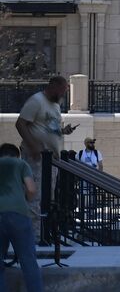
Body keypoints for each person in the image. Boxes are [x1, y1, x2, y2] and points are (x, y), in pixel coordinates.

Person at [14, 77, 77, 236]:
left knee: (47, 198)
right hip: (36, 158)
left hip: (51, 160)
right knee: (34, 196)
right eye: (63, 90)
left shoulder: (55, 105)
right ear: (53, 86)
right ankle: (33, 236)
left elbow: (50, 129)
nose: (64, 94)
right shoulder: (36, 101)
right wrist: (33, 145)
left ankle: (43, 233)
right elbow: (20, 124)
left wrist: (64, 131)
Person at [0, 142, 54, 292]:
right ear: (16, 155)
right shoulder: (21, 164)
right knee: (29, 262)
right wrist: (26, 200)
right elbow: (31, 189)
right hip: (19, 214)